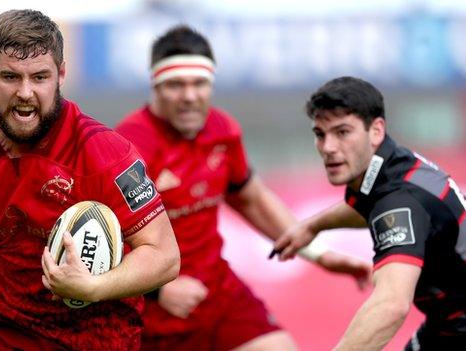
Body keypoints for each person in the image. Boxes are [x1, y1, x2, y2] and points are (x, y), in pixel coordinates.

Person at [0, 9, 180, 351]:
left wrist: (94, 287)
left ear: (61, 74)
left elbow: (165, 255)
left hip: (101, 338)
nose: (25, 92)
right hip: (7, 332)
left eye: (40, 77)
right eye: (11, 77)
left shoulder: (106, 154)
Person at [115, 25, 371, 351]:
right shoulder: (128, 149)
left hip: (218, 297)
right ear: (155, 86)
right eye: (176, 85)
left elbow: (253, 201)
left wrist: (321, 254)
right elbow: (107, 236)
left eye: (199, 83)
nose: (190, 96)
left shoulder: (222, 131)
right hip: (152, 312)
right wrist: (159, 290)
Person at [274, 76, 466, 350]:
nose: (328, 147)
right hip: (453, 323)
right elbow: (371, 209)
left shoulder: (398, 199)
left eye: (342, 132)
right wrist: (314, 226)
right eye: (320, 134)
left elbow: (391, 305)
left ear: (376, 131)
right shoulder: (390, 166)